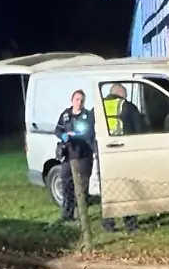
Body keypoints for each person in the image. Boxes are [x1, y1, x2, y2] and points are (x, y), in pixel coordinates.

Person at [99, 84, 142, 233]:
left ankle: (108, 224)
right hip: (124, 153)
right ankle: (130, 225)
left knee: (109, 190)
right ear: (121, 94)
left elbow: (91, 131)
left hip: (105, 154)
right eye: (126, 95)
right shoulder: (128, 106)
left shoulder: (98, 106)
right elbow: (139, 129)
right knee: (128, 190)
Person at [54, 89, 95, 223]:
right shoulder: (65, 115)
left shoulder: (87, 115)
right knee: (66, 184)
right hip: (69, 154)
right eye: (77, 99)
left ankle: (83, 215)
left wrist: (78, 135)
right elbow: (57, 129)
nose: (79, 102)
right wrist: (63, 135)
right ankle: (67, 214)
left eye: (82, 100)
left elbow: (89, 133)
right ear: (72, 100)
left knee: (83, 186)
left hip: (84, 154)